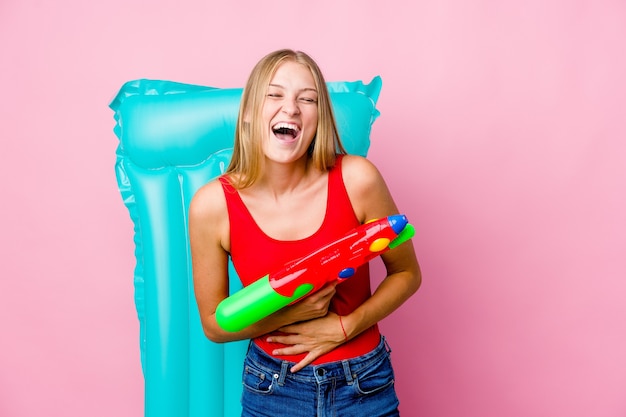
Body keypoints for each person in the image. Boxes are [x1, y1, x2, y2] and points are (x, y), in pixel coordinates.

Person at [189, 49, 421, 417]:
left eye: (307, 99)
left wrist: (345, 327)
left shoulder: (358, 178)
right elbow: (214, 326)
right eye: (275, 94)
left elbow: (408, 274)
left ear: (319, 118)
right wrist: (291, 313)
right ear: (249, 111)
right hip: (273, 388)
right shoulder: (212, 205)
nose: (292, 108)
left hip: (364, 382)